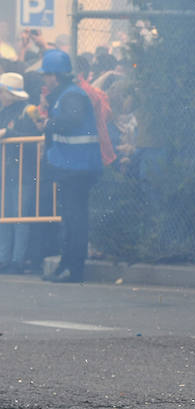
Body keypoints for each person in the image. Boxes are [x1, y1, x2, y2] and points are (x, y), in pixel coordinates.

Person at [36, 49, 103, 283]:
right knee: (71, 218)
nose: (44, 79)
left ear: (55, 75)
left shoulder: (71, 96)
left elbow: (72, 120)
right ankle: (67, 265)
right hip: (73, 166)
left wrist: (49, 123)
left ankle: (73, 269)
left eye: (46, 75)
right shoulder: (67, 94)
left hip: (77, 167)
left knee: (75, 219)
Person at [0, 71, 40, 274]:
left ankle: (17, 259)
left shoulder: (27, 111)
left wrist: (9, 134)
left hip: (23, 172)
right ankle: (3, 258)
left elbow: (32, 139)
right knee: (4, 216)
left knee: (20, 217)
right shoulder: (3, 112)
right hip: (5, 172)